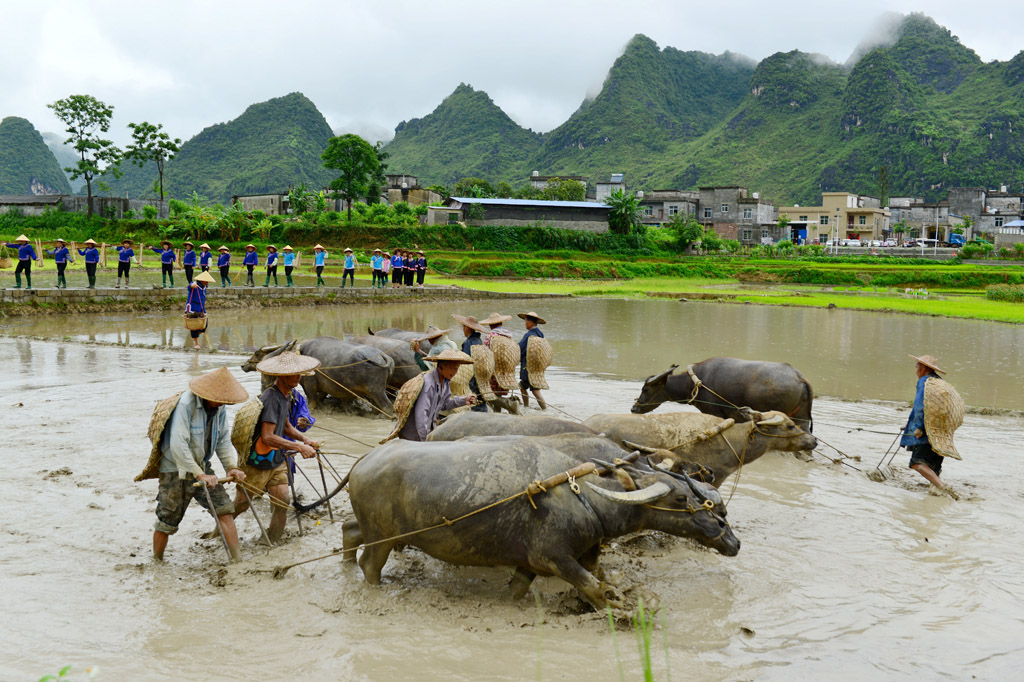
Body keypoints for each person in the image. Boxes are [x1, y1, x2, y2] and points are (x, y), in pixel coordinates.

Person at [152, 367, 249, 562]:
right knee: (167, 522)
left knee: (225, 510)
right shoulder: (186, 405)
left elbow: (222, 440)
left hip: (202, 464)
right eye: (220, 399)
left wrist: (231, 466)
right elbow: (178, 445)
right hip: (175, 469)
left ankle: (238, 561)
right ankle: (157, 561)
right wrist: (199, 474)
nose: (223, 403)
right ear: (207, 394)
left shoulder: (219, 408)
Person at [232, 351, 322, 543]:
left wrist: (305, 440)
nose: (298, 377)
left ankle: (271, 541)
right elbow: (268, 437)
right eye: (294, 374)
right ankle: (221, 530)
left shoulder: (287, 395)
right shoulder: (271, 398)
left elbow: (287, 426)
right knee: (240, 505)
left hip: (277, 460)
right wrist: (299, 448)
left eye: (300, 373)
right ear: (282, 376)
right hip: (258, 462)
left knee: (282, 502)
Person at [901, 354, 961, 495]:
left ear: (924, 368)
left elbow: (920, 406)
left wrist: (918, 427)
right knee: (933, 465)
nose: (915, 370)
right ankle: (935, 493)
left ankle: (943, 488)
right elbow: (938, 409)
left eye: (917, 367)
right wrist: (909, 425)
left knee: (917, 462)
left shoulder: (924, 382)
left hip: (926, 431)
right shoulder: (940, 383)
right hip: (940, 432)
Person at [398, 349, 477, 441]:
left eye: (457, 368)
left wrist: (464, 400)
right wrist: (425, 440)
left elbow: (444, 405)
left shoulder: (445, 382)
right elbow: (421, 415)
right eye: (453, 368)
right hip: (413, 437)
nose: (455, 372)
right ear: (441, 367)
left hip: (426, 432)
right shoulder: (428, 385)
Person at [453, 313, 490, 413]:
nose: (462, 329)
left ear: (467, 328)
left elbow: (465, 363)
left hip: (471, 377)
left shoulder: (469, 343)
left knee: (473, 403)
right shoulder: (478, 340)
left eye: (463, 326)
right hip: (480, 376)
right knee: (480, 401)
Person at [518, 311, 547, 410]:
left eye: (526, 321)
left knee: (524, 387)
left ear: (530, 322)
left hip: (528, 367)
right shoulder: (540, 333)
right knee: (535, 389)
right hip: (537, 366)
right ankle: (543, 408)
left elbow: (520, 349)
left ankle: (526, 407)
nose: (525, 323)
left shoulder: (529, 335)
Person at [185, 271, 214, 350]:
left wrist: (204, 311)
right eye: (206, 281)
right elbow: (189, 286)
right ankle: (197, 343)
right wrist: (191, 285)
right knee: (194, 327)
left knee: (204, 325)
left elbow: (202, 301)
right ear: (202, 280)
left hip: (200, 308)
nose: (207, 282)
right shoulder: (195, 285)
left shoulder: (204, 288)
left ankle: (195, 336)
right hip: (192, 308)